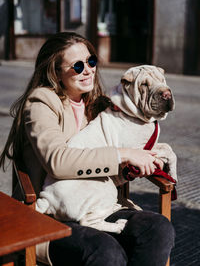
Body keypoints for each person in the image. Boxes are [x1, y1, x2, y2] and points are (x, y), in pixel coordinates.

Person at [0, 32, 175, 266]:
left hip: (97, 207)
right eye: (78, 65)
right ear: (56, 72)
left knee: (158, 228)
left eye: (91, 61)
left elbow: (105, 173)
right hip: (51, 214)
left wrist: (129, 169)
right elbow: (57, 161)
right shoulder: (41, 103)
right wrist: (124, 153)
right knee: (105, 250)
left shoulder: (98, 104)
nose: (88, 70)